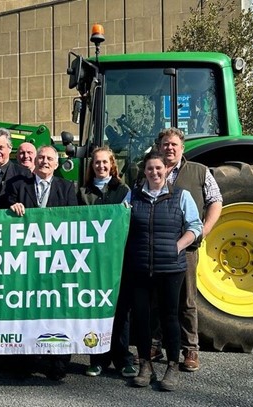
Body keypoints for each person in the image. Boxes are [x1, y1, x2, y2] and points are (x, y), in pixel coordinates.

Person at [126, 151, 202, 392]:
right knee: (141, 317)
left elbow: (195, 226)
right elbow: (119, 221)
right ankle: (145, 366)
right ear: (145, 171)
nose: (155, 172)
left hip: (171, 268)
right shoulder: (133, 195)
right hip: (139, 266)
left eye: (159, 168)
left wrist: (177, 247)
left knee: (170, 317)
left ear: (167, 170)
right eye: (150, 169)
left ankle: (172, 366)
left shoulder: (181, 196)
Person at [7, 145, 77, 381]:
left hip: (56, 262)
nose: (44, 161)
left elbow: (74, 223)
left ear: (57, 164)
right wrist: (12, 208)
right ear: (34, 162)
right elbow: (3, 220)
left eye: (49, 159)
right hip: (27, 261)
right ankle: (27, 359)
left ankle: (58, 361)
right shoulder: (18, 187)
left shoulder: (67, 188)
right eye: (41, 158)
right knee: (28, 308)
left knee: (57, 309)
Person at [156, 127, 222, 372]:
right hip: (156, 246)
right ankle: (154, 343)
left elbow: (216, 200)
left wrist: (204, 230)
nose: (169, 148)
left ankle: (190, 349)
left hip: (185, 247)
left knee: (186, 298)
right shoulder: (152, 171)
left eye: (174, 144)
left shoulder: (199, 171)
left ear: (182, 148)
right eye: (165, 144)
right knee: (156, 296)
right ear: (159, 147)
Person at [77, 147, 135, 378]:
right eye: (96, 163)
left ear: (112, 165)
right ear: (92, 167)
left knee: (120, 309)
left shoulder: (124, 191)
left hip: (118, 259)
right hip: (92, 260)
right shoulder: (82, 192)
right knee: (95, 309)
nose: (100, 166)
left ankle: (123, 359)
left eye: (104, 162)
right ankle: (97, 359)